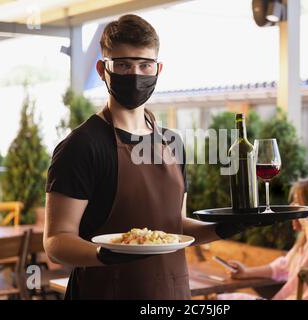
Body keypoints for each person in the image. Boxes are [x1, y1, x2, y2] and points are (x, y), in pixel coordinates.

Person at [43, 14, 245, 300]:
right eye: (123, 65)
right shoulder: (81, 146)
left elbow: (174, 226)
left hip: (170, 293)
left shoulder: (172, 143)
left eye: (144, 65)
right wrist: (105, 254)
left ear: (158, 69)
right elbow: (56, 241)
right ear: (103, 69)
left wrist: (224, 227)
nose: (135, 74)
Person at [218, 176, 308, 300]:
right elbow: (283, 267)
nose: (291, 207)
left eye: (296, 203)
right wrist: (246, 272)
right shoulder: (307, 237)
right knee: (221, 298)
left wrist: (305, 222)